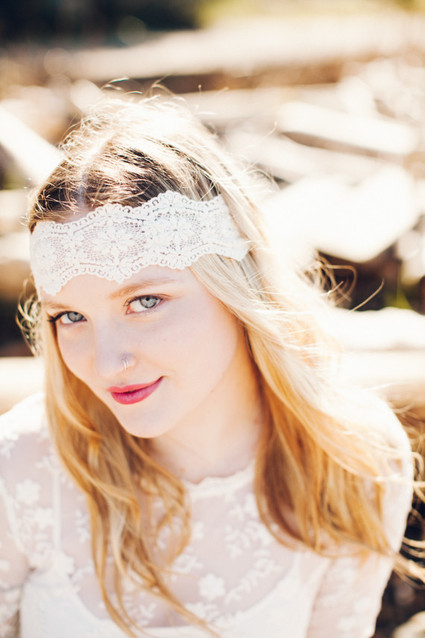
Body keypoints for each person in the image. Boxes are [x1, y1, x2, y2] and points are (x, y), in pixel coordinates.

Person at [0, 94, 421, 638]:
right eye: (70, 316)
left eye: (145, 301)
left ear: (235, 284)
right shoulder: (21, 468)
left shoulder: (354, 463)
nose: (106, 363)